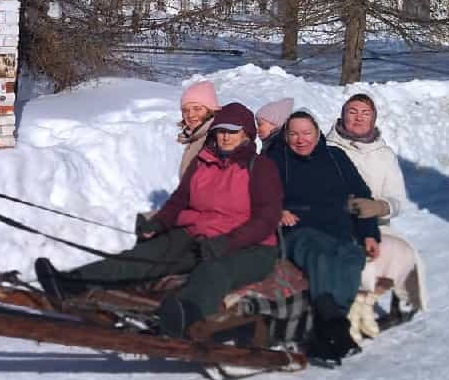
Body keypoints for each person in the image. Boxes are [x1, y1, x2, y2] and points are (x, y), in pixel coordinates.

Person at [34, 102, 282, 339]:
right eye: (220, 131)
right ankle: (72, 282)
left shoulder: (259, 168)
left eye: (232, 131)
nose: (225, 137)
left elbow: (266, 220)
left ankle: (187, 317)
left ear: (247, 134)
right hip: (199, 235)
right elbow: (179, 201)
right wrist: (160, 223)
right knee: (149, 254)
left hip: (251, 247)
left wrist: (226, 243)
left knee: (213, 270)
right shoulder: (203, 163)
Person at [273, 111, 381, 364]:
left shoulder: (336, 157)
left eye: (306, 133)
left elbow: (362, 196)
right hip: (298, 231)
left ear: (318, 132)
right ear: (286, 136)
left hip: (337, 230)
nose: (301, 139)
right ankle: (335, 328)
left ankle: (326, 331)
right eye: (294, 134)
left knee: (352, 258)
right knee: (319, 256)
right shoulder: (275, 161)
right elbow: (260, 197)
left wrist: (368, 234)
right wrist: (276, 211)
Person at [327, 93, 426, 340]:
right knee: (355, 257)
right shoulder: (327, 150)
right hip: (337, 224)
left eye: (365, 113)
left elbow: (398, 200)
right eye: (352, 112)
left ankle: (365, 303)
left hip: (377, 225)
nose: (358, 118)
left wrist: (380, 207)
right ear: (342, 115)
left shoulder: (384, 154)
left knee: (401, 253)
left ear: (373, 119)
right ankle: (347, 311)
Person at [177, 80, 220, 179]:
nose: (190, 115)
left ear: (210, 110)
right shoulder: (197, 137)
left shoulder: (215, 141)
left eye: (197, 109)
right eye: (185, 110)